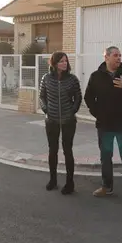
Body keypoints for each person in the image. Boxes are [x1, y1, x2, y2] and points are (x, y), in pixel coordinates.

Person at [84, 46, 122, 205]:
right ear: (107, 57)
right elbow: (89, 97)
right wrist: (98, 113)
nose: (119, 58)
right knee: (105, 157)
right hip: (104, 126)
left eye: (120, 55)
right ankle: (106, 186)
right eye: (115, 55)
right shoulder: (96, 76)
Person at [39, 52, 83, 195]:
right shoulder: (46, 78)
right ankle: (53, 180)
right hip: (51, 120)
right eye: (61, 61)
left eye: (66, 61)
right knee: (52, 150)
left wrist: (73, 111)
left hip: (68, 120)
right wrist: (46, 110)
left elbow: (78, 96)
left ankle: (69, 183)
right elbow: (42, 96)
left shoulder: (72, 79)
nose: (64, 63)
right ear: (54, 63)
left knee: (67, 150)